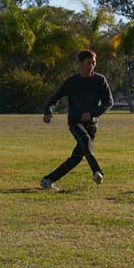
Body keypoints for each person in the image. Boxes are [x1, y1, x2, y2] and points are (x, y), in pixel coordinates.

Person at [40, 50, 114, 190]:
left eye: (94, 63)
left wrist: (92, 113)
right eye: (88, 63)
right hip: (75, 122)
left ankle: (47, 180)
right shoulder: (71, 82)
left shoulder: (100, 80)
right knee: (85, 140)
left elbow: (108, 102)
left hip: (92, 124)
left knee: (76, 157)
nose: (92, 66)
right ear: (80, 64)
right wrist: (47, 112)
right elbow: (53, 100)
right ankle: (97, 171)